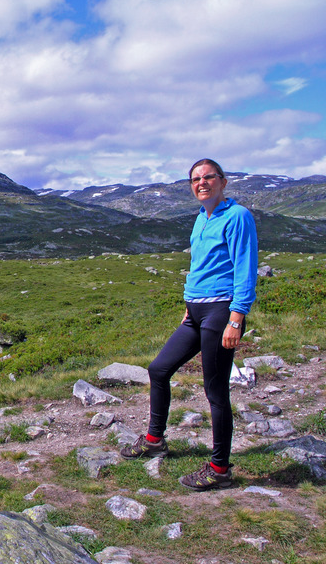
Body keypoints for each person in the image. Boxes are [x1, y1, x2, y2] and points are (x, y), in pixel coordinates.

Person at [121, 158, 258, 491]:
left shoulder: (238, 217)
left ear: (222, 181)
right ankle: (155, 439)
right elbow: (200, 266)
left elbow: (245, 267)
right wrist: (188, 305)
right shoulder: (200, 218)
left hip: (220, 311)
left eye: (208, 177)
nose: (201, 183)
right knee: (159, 369)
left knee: (215, 391)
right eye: (195, 179)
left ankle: (220, 469)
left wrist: (236, 318)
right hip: (196, 312)